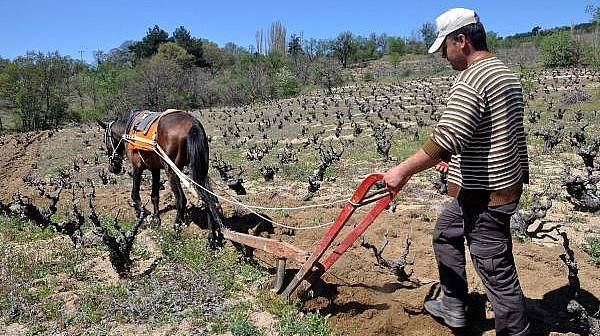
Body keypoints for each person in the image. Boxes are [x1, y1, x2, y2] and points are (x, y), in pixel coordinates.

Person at [383, 8, 530, 336]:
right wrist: (460, 161)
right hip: (492, 186)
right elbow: (496, 132)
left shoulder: (472, 78)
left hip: (486, 197)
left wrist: (401, 172)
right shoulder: (503, 72)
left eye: (445, 47)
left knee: (497, 275)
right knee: (447, 232)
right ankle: (455, 306)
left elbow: (448, 136)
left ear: (461, 40)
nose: (444, 57)